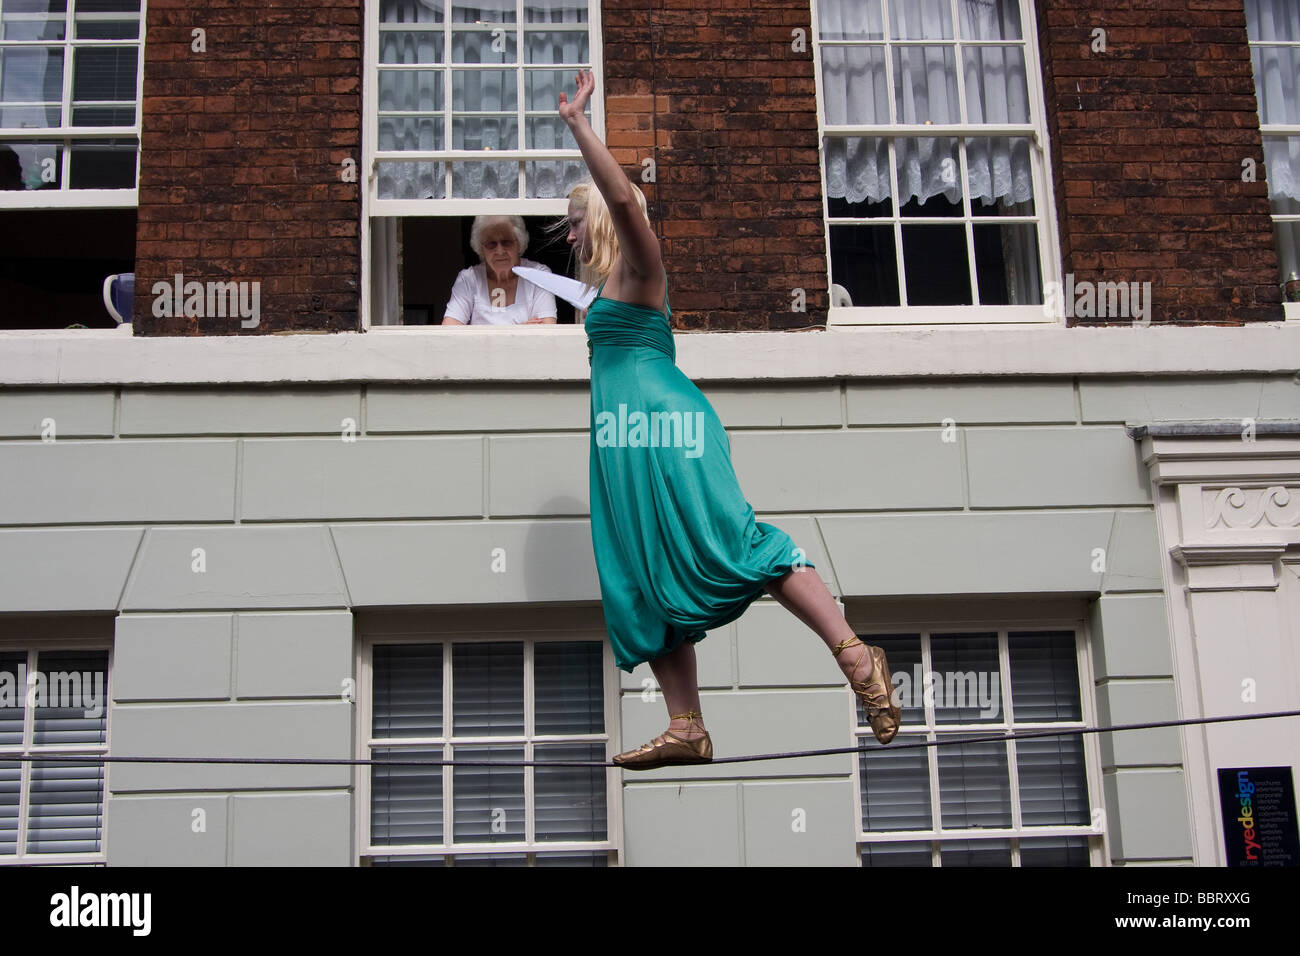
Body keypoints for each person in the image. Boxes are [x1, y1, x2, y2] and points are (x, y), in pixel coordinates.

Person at [557, 69, 902, 770]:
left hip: (668, 425)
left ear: (596, 218)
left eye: (571, 217)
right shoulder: (601, 289)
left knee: (734, 544)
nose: (564, 231)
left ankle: (855, 654)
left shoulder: (639, 268)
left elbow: (623, 196)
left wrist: (578, 125)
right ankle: (688, 725)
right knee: (641, 575)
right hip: (623, 442)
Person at [442, 215, 558, 325]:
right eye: (491, 244)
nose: (500, 251)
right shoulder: (468, 279)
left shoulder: (539, 275)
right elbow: (449, 331)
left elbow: (546, 333)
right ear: (481, 248)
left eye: (507, 242)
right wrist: (520, 330)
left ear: (519, 243)